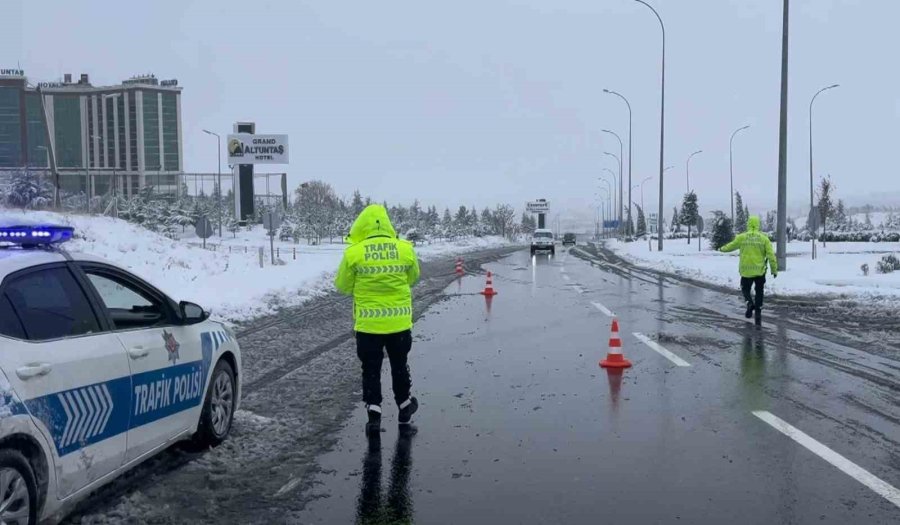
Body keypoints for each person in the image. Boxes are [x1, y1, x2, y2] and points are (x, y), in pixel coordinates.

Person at [335, 204, 421, 435]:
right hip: (399, 324)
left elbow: (343, 286)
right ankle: (404, 405)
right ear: (387, 223)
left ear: (362, 225)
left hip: (368, 326)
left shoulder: (354, 253)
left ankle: (374, 414)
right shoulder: (405, 249)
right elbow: (413, 278)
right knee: (399, 364)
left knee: (371, 369)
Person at [719, 215, 778, 325]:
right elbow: (771, 256)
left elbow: (731, 246)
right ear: (758, 225)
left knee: (745, 289)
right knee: (759, 291)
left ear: (748, 224)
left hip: (746, 271)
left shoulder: (742, 237)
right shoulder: (764, 239)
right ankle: (758, 310)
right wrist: (774, 270)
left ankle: (749, 303)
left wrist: (721, 249)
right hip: (760, 271)